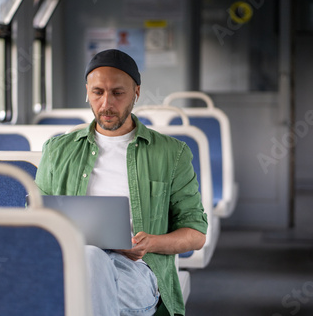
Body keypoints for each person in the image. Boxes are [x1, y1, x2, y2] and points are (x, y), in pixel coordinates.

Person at [35, 49, 208, 316]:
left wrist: (148, 244)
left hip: (136, 271)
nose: (106, 104)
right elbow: (35, 219)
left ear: (136, 92)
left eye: (118, 93)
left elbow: (195, 234)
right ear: (87, 91)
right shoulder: (57, 151)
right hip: (69, 263)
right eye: (98, 92)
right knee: (89, 263)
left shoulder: (171, 154)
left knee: (87, 271)